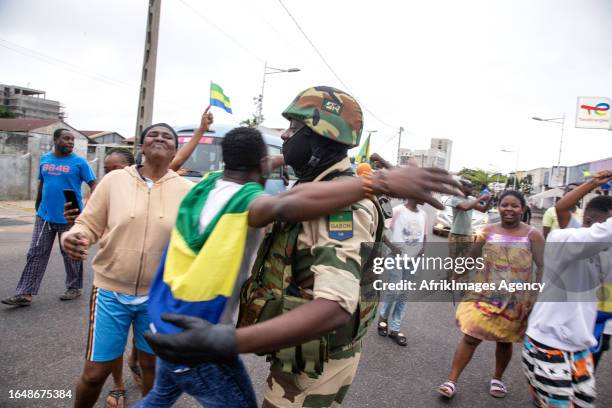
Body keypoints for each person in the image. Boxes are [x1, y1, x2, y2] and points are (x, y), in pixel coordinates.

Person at [144, 86, 463, 408]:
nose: (284, 135)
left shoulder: (340, 208)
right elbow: (277, 170)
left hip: (311, 377)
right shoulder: (317, 184)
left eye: (294, 129)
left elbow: (334, 307)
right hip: (298, 356)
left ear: (318, 141)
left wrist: (227, 341)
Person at [62, 110, 213, 408]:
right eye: (152, 135)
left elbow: (200, 242)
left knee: (151, 369)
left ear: (174, 148)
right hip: (110, 291)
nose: (159, 138)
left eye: (166, 136)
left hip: (158, 297)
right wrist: (74, 236)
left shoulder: (188, 191)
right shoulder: (114, 180)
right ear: (142, 147)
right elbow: (88, 224)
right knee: (94, 375)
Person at [438, 190, 544, 399]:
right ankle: (451, 380)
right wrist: (457, 273)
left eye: (515, 205)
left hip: (515, 300)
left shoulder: (533, 235)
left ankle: (497, 378)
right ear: (499, 207)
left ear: (522, 209)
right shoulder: (487, 231)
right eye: (505, 205)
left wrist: (531, 297)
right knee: (471, 336)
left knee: (504, 340)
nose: (509, 209)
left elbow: (541, 267)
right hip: (484, 295)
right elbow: (472, 256)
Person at [523, 171, 612, 408]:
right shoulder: (565, 239)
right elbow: (563, 208)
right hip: (548, 344)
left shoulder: (603, 251)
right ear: (593, 224)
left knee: (583, 404)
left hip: (578, 345)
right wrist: (592, 183)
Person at [2, 129, 97, 307]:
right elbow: (42, 183)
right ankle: (25, 293)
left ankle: (74, 287)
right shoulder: (45, 159)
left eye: (72, 139)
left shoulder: (80, 162)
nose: (70, 142)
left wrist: (89, 208)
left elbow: (94, 184)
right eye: (66, 139)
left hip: (70, 216)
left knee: (71, 254)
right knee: (36, 253)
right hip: (44, 216)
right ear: (55, 140)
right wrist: (38, 205)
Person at [377, 198, 427, 346]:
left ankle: (395, 328)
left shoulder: (424, 214)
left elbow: (424, 236)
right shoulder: (398, 210)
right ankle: (383, 318)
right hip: (396, 257)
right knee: (394, 290)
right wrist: (393, 248)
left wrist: (422, 250)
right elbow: (381, 231)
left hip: (413, 260)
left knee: (404, 294)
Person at [447, 180, 492, 267]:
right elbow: (465, 207)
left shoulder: (471, 199)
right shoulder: (455, 199)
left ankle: (463, 279)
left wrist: (489, 200)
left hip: (468, 235)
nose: (472, 189)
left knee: (466, 261)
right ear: (462, 188)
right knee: (453, 260)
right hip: (455, 235)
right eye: (469, 187)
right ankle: (450, 279)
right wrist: (480, 198)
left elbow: (483, 209)